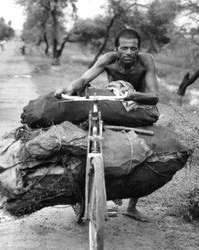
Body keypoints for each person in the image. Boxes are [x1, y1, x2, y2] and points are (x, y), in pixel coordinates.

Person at [55, 28, 159, 222]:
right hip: (113, 105)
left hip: (136, 107)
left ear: (139, 49)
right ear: (116, 49)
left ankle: (132, 207)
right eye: (124, 48)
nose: (129, 52)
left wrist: (134, 96)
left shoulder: (146, 61)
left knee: (146, 151)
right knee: (91, 139)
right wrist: (68, 88)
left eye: (133, 48)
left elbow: (154, 95)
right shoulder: (108, 59)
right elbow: (85, 78)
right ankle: (86, 192)